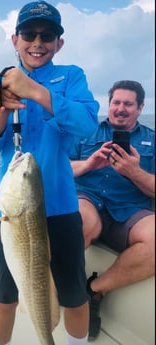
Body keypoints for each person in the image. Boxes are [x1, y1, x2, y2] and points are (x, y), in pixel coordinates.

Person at [0, 1, 100, 344]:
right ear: (15, 40)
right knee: (5, 296)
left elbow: (87, 124)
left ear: (59, 43)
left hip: (60, 209)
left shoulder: (72, 77)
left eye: (47, 35)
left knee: (74, 294)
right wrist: (2, 107)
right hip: (12, 214)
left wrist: (34, 91)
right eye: (29, 34)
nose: (37, 42)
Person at [70, 80, 155, 341]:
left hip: (130, 210)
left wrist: (134, 172)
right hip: (89, 200)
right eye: (116, 102)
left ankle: (92, 291)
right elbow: (61, 168)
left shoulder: (152, 139)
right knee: (76, 222)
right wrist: (88, 165)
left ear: (140, 108)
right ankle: (66, 288)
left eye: (128, 104)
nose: (120, 108)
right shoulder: (85, 131)